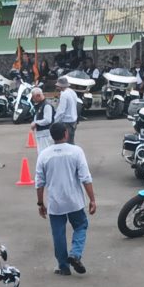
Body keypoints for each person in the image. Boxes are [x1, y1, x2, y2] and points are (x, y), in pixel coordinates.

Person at [35, 122, 96, 275]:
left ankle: (63, 266)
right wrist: (92, 199)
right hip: (74, 201)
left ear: (51, 136)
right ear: (66, 134)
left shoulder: (44, 155)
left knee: (58, 234)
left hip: (55, 202)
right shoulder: (76, 151)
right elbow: (85, 178)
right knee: (81, 226)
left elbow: (39, 182)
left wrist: (40, 203)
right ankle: (75, 253)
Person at [53, 76, 79, 144]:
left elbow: (61, 111)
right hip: (73, 120)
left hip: (66, 122)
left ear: (61, 86)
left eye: (58, 86)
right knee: (71, 141)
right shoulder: (72, 92)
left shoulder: (64, 94)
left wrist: (55, 121)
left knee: (66, 142)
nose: (57, 87)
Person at [30, 88, 54, 154]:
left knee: (44, 152)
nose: (33, 99)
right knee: (42, 152)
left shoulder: (46, 105)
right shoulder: (40, 105)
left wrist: (36, 123)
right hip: (41, 133)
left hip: (46, 133)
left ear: (38, 96)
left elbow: (48, 120)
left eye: (33, 97)